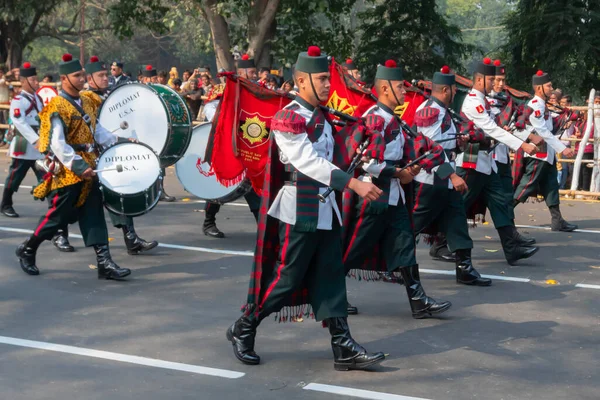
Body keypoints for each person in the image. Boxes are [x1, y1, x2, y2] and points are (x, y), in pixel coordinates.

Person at [226, 45, 386, 371]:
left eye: (329, 79)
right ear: (301, 81)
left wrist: (364, 140)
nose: (329, 85)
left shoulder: (324, 119)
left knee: (330, 276)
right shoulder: (288, 118)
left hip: (326, 209)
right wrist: (353, 184)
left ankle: (343, 347)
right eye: (322, 79)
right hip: (299, 209)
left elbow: (337, 157)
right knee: (288, 277)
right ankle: (244, 326)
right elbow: (306, 161)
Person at [342, 60, 453, 318]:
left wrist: (410, 169)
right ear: (384, 89)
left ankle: (418, 301)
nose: (404, 91)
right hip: (374, 195)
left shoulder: (395, 120)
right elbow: (364, 160)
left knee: (405, 246)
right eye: (399, 87)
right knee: (353, 249)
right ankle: (330, 294)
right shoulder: (373, 119)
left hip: (395, 195)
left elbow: (404, 155)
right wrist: (396, 172)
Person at [17, 53, 132, 280]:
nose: (81, 79)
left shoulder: (88, 101)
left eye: (82, 75)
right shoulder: (57, 106)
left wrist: (122, 142)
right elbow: (58, 144)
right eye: (76, 75)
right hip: (69, 172)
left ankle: (104, 263)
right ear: (64, 78)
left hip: (90, 167)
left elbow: (97, 132)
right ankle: (28, 249)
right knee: (58, 217)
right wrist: (78, 166)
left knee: (94, 212)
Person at [411, 65, 493, 288]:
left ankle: (465, 269)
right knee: (411, 227)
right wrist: (453, 176)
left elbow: (444, 143)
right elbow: (429, 149)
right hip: (430, 181)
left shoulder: (442, 111)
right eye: (454, 89)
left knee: (458, 223)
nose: (456, 93)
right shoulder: (430, 111)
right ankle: (396, 265)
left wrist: (459, 143)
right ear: (446, 90)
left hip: (445, 180)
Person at [457, 58, 539, 265]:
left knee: (501, 202)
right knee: (458, 204)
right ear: (479, 80)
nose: (496, 83)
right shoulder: (474, 102)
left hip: (486, 162)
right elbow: (491, 130)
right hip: (472, 162)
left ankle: (512, 249)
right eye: (492, 79)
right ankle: (439, 242)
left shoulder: (483, 101)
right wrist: (523, 145)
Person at [85, 56, 159, 255]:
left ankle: (131, 239)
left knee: (117, 194)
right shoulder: (85, 100)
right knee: (74, 203)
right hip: (88, 157)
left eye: (106, 74)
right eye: (100, 75)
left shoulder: (110, 95)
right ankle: (57, 232)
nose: (105, 78)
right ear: (89, 79)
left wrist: (124, 140)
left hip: (109, 154)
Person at [201, 55, 262, 238]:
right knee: (220, 184)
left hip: (250, 144)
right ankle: (208, 222)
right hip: (227, 143)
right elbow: (210, 110)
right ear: (241, 72)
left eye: (254, 72)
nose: (254, 75)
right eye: (251, 72)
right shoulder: (223, 88)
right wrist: (226, 120)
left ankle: (263, 229)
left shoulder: (258, 90)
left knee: (252, 185)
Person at [513, 70, 578, 232]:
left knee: (551, 187)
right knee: (526, 187)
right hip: (538, 155)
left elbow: (550, 127)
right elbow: (543, 132)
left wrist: (566, 117)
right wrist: (562, 149)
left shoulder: (543, 106)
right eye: (549, 86)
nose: (552, 88)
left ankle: (557, 221)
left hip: (546, 155)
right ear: (539, 88)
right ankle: (505, 213)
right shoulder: (535, 106)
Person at [1, 62, 45, 218]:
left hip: (39, 145)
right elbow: (19, 122)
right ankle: (6, 204)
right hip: (25, 144)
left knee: (47, 176)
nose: (37, 82)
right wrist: (35, 140)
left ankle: (56, 206)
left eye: (36, 79)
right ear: (24, 81)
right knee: (15, 176)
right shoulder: (18, 100)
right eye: (33, 80)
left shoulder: (38, 99)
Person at [143, 65, 177, 202]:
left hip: (158, 133)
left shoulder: (160, 93)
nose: (155, 80)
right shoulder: (137, 93)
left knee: (160, 162)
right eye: (152, 78)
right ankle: (145, 192)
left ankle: (160, 190)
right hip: (142, 134)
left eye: (155, 77)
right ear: (145, 79)